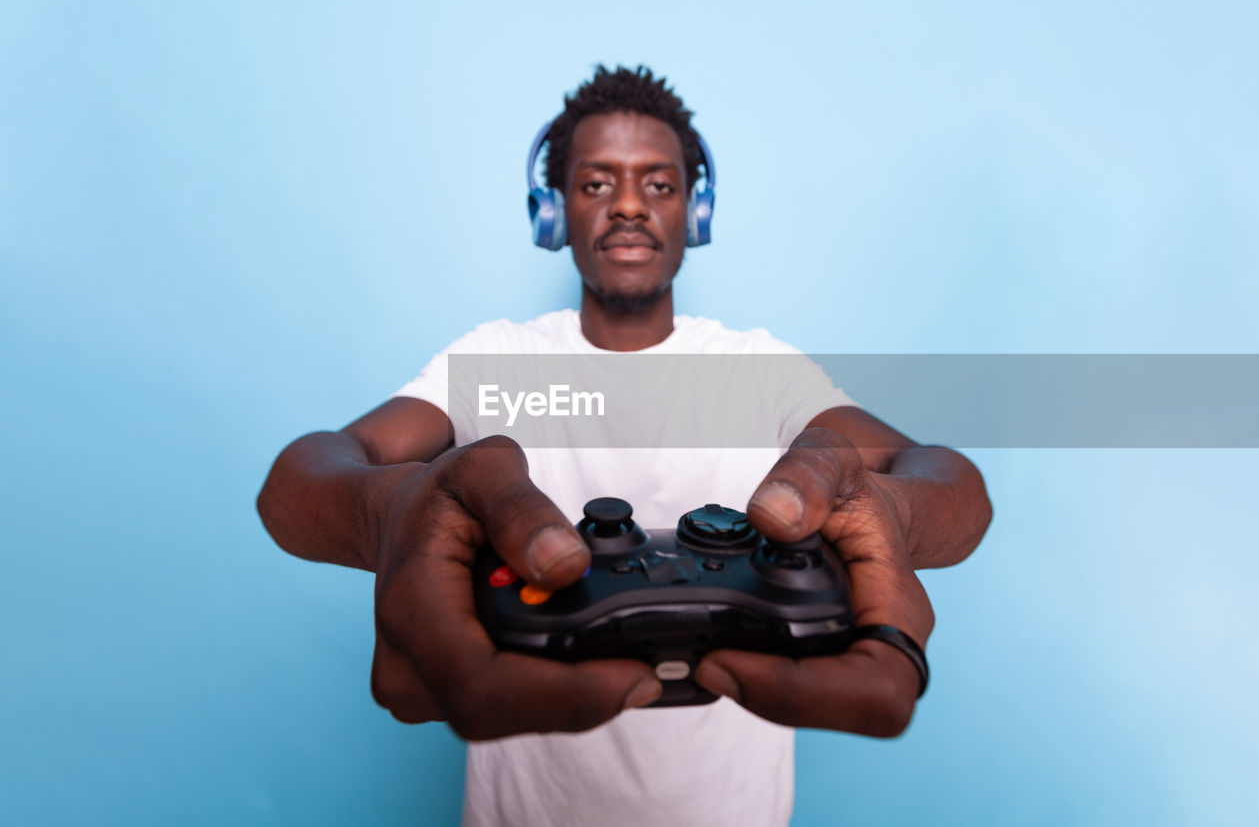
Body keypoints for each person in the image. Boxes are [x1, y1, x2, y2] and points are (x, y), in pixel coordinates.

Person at [257, 65, 992, 827]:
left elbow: (943, 475)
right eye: (597, 184)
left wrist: (890, 515)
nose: (631, 205)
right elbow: (301, 478)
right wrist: (393, 509)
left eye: (661, 185)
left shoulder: (755, 369)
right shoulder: (498, 362)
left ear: (696, 211)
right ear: (554, 212)